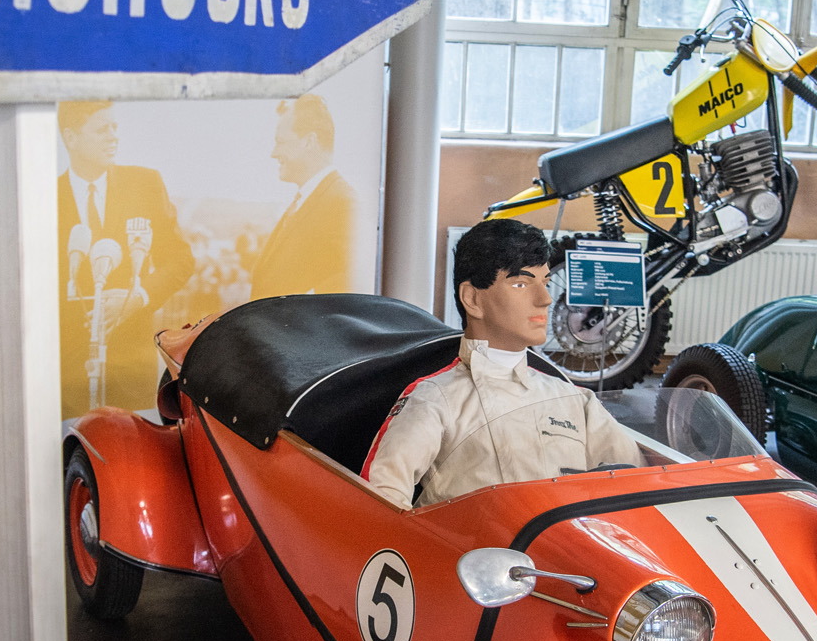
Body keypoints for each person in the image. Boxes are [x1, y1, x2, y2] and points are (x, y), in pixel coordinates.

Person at [362, 219, 650, 508]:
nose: (546, 299)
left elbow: (641, 483)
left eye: (545, 282)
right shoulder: (435, 399)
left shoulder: (575, 399)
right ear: (472, 299)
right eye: (522, 283)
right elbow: (379, 505)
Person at [58, 101, 195, 412]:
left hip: (131, 376)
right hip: (65, 378)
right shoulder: (45, 197)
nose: (113, 137)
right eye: (102, 129)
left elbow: (181, 259)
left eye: (115, 128)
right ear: (71, 137)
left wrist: (139, 296)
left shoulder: (145, 184)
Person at [249, 95, 355, 300]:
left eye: (280, 142)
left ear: (309, 142)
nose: (273, 153)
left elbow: (342, 297)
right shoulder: (309, 199)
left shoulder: (343, 204)